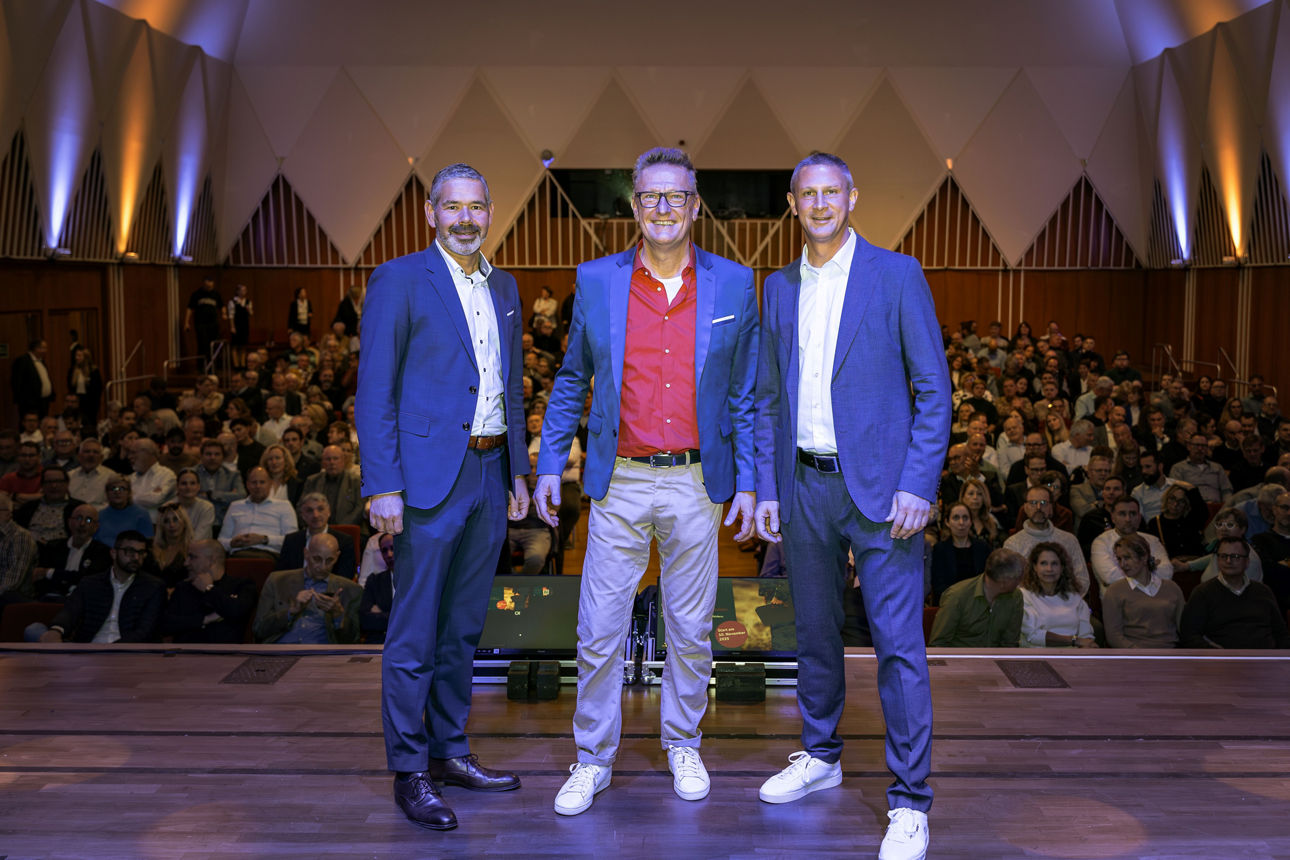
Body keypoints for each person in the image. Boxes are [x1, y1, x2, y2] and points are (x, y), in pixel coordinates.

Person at [534, 148, 758, 816]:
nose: (663, 208)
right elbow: (573, 378)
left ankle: (682, 741)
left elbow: (745, 394)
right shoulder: (596, 280)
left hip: (696, 480)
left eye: (676, 197)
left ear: (696, 207)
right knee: (598, 630)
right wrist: (551, 462)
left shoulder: (737, 284)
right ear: (635, 206)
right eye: (650, 197)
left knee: (690, 631)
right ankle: (592, 759)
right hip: (620, 480)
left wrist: (748, 482)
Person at [751, 152, 947, 859]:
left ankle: (910, 801)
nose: (822, 202)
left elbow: (934, 391)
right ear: (792, 203)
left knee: (899, 647)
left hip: (883, 493)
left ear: (853, 197)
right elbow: (768, 398)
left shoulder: (897, 275)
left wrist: (918, 485)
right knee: (814, 636)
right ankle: (821, 755)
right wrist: (769, 487)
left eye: (833, 191)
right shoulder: (776, 288)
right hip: (804, 488)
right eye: (809, 193)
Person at [355, 162, 530, 832]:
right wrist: (384, 486)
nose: (465, 218)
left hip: (489, 475)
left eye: (477, 207)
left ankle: (450, 751)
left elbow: (509, 387)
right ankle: (410, 769)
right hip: (426, 481)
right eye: (452, 207)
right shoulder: (399, 279)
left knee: (462, 629)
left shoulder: (506, 285)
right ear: (430, 213)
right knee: (414, 632)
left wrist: (516, 471)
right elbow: (375, 392)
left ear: (490, 212)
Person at [38, 531, 165, 643]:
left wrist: (110, 650)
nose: (136, 557)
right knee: (34, 630)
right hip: (90, 648)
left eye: (141, 552)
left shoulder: (152, 586)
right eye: (130, 551)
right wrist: (56, 630)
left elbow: (144, 631)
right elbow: (70, 611)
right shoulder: (91, 583)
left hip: (127, 651)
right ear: (113, 553)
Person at [1180, 536, 1290, 648]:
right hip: (1223, 661)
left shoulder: (1263, 591)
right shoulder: (1202, 593)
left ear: (1247, 562)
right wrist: (1216, 654)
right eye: (1223, 556)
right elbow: (1189, 636)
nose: (1228, 561)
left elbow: (1281, 634)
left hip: (1266, 659)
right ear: (1217, 560)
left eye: (1235, 556)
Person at [252, 532, 362, 643]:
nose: (323, 567)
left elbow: (353, 640)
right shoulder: (277, 581)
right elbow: (259, 629)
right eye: (317, 559)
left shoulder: (351, 590)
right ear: (306, 554)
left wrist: (338, 615)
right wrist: (291, 612)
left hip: (321, 655)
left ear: (337, 556)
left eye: (329, 560)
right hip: (280, 650)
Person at [161, 539, 257, 643]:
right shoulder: (183, 587)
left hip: (225, 655)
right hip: (185, 654)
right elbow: (166, 625)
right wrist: (206, 619)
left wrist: (209, 589)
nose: (186, 563)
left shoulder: (242, 585)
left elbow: (236, 611)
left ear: (212, 560)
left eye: (192, 557)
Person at [1102, 533, 1185, 648]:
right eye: (1119, 559)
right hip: (1135, 657)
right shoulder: (1114, 591)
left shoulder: (1172, 588)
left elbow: (1184, 628)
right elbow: (1113, 636)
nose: (1122, 564)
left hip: (1170, 653)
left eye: (1127, 558)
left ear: (1144, 557)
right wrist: (1139, 654)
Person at [928, 548, 1024, 646]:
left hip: (995, 659)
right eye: (1018, 578)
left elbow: (1010, 644)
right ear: (1005, 582)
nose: (1020, 582)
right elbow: (938, 644)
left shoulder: (1015, 597)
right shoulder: (957, 597)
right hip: (960, 659)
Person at [1004, 485, 1089, 595]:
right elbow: (1010, 583)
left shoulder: (1069, 540)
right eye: (1033, 503)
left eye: (1044, 503)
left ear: (1051, 507)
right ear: (1025, 508)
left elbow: (1082, 579)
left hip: (1065, 604)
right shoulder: (1012, 544)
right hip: (1028, 607)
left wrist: (1063, 602)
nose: (1038, 507)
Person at [1018, 542, 1096, 648]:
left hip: (1072, 656)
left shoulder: (1075, 597)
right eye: (1043, 563)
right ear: (1034, 567)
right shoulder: (1024, 596)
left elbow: (1086, 636)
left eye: (1054, 563)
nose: (1049, 569)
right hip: (1039, 656)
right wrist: (1074, 641)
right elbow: (1033, 635)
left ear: (1062, 568)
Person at [1089, 498, 1173, 596]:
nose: (1128, 519)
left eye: (1133, 514)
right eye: (1122, 514)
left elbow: (1167, 573)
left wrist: (1127, 571)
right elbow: (1111, 577)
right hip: (1119, 601)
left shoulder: (1152, 540)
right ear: (1113, 518)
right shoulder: (1101, 542)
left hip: (1155, 598)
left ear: (1139, 517)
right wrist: (1150, 567)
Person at [217, 467, 297, 560]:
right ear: (247, 485)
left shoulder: (284, 506)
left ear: (270, 484)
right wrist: (232, 543)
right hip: (238, 555)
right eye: (254, 482)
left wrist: (264, 539)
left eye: (262, 482)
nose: (258, 486)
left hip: (269, 556)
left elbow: (292, 541)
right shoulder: (235, 506)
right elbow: (221, 541)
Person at [277, 493, 358, 578]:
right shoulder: (291, 540)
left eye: (320, 509)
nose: (315, 515)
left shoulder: (344, 541)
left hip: (330, 589)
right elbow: (281, 575)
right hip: (296, 588)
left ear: (329, 512)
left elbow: (345, 576)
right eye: (309, 510)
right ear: (302, 515)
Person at [928, 503, 991, 605]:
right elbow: (938, 585)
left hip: (978, 603)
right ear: (947, 522)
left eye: (965, 518)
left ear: (971, 522)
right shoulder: (940, 550)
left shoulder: (982, 548)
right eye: (956, 518)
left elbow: (988, 580)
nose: (961, 522)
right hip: (950, 604)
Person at [300, 445, 361, 526]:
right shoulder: (312, 481)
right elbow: (302, 506)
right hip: (316, 528)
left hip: (347, 529)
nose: (332, 462)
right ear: (322, 463)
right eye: (328, 459)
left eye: (335, 459)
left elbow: (360, 508)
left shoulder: (356, 481)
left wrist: (340, 528)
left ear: (343, 461)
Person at [126, 439, 177, 525]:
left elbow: (155, 499)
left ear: (147, 453)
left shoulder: (167, 475)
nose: (129, 457)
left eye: (133, 452)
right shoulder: (130, 478)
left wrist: (130, 497)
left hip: (159, 528)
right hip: (132, 526)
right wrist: (149, 495)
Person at [360, 532, 395, 644]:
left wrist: (381, 614)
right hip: (380, 643)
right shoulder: (375, 581)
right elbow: (365, 620)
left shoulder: (417, 580)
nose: (389, 554)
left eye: (393, 548)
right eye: (384, 551)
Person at [97, 478, 154, 546]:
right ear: (107, 493)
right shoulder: (100, 515)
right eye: (113, 488)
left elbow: (147, 542)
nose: (117, 492)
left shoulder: (141, 514)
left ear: (129, 493)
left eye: (122, 489)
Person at [10, 338, 55, 419]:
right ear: (36, 348)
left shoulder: (41, 361)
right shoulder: (23, 360)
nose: (45, 350)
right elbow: (17, 382)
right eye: (43, 348)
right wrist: (25, 400)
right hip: (30, 403)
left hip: (43, 401)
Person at [184, 278, 223, 362]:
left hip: (213, 323)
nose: (209, 287)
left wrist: (224, 314)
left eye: (211, 286)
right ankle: (202, 365)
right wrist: (186, 322)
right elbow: (190, 308)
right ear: (204, 284)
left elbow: (222, 306)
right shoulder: (197, 294)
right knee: (202, 344)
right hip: (201, 324)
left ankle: (212, 365)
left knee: (213, 344)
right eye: (207, 286)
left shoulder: (216, 294)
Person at [173, 467, 215, 541]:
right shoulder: (168, 507)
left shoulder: (207, 508)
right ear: (177, 486)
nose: (188, 487)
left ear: (198, 487)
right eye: (184, 483)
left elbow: (199, 538)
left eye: (192, 483)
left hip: (199, 550)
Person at [225, 283, 253, 366]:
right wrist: (232, 327)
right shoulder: (233, 301)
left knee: (243, 346)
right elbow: (231, 315)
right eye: (242, 290)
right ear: (237, 291)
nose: (244, 292)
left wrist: (248, 310)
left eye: (245, 290)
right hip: (237, 325)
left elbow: (251, 313)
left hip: (245, 325)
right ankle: (236, 364)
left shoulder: (248, 302)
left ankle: (243, 363)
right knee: (235, 346)